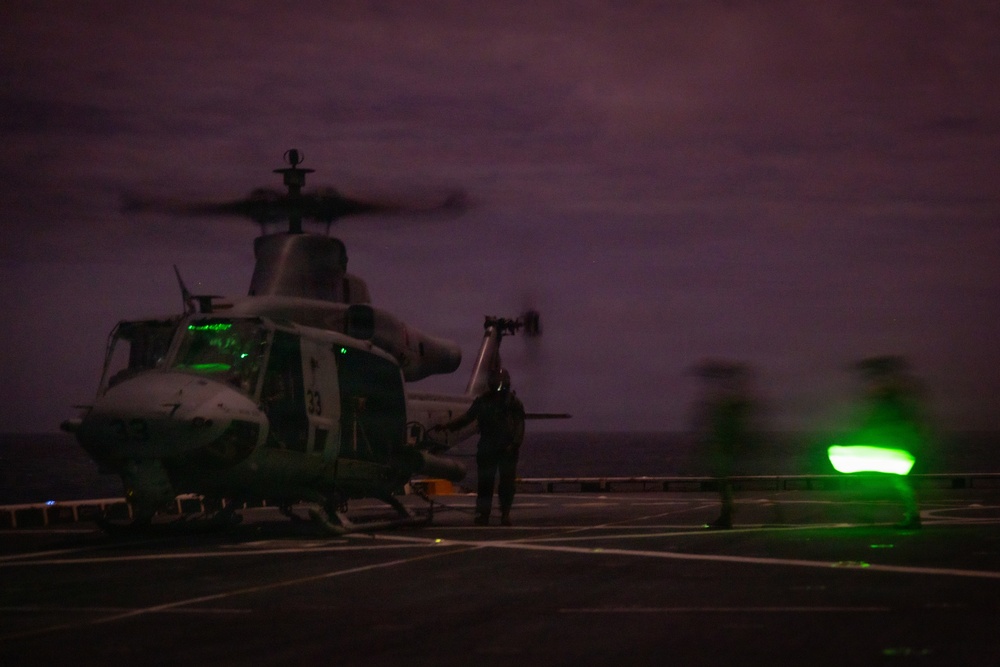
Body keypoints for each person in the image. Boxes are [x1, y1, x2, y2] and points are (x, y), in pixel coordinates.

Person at [435, 367, 525, 526]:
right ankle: (485, 514)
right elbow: (467, 418)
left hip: (506, 448)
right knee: (486, 483)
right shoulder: (483, 401)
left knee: (506, 484)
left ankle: (504, 513)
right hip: (489, 447)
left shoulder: (512, 402)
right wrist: (447, 426)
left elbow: (519, 426)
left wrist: (514, 444)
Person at [850, 355, 929, 529]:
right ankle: (910, 516)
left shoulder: (890, 402)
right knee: (896, 482)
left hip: (900, 446)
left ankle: (911, 517)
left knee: (900, 482)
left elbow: (889, 422)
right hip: (900, 444)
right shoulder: (892, 401)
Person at [689, 359, 757, 530]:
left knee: (724, 483)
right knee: (725, 483)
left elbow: (723, 427)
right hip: (728, 448)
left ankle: (727, 514)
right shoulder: (730, 405)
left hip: (725, 450)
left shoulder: (727, 406)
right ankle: (727, 513)